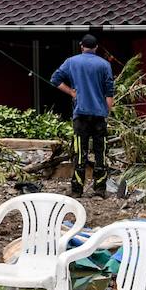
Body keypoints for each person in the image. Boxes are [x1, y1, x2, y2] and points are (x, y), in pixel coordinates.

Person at [51, 33, 116, 197]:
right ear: (96, 48)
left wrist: (71, 92)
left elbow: (55, 79)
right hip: (99, 115)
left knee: (80, 152)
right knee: (100, 152)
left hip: (80, 114)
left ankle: (77, 190)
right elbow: (109, 92)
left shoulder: (72, 62)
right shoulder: (104, 65)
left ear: (82, 46)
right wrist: (107, 112)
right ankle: (100, 190)